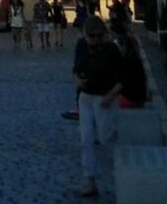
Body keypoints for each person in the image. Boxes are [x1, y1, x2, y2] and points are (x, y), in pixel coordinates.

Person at [73, 15, 124, 198]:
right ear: (85, 35)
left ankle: (121, 176)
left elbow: (124, 78)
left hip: (105, 98)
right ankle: (90, 181)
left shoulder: (111, 49)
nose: (95, 39)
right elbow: (75, 70)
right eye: (91, 36)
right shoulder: (81, 46)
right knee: (86, 140)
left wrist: (110, 96)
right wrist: (78, 80)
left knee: (106, 138)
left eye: (98, 36)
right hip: (86, 97)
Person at [110, 19, 148, 108]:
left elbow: (121, 83)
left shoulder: (127, 62)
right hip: (137, 98)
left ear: (123, 47)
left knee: (98, 99)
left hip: (131, 99)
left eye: (118, 47)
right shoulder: (134, 59)